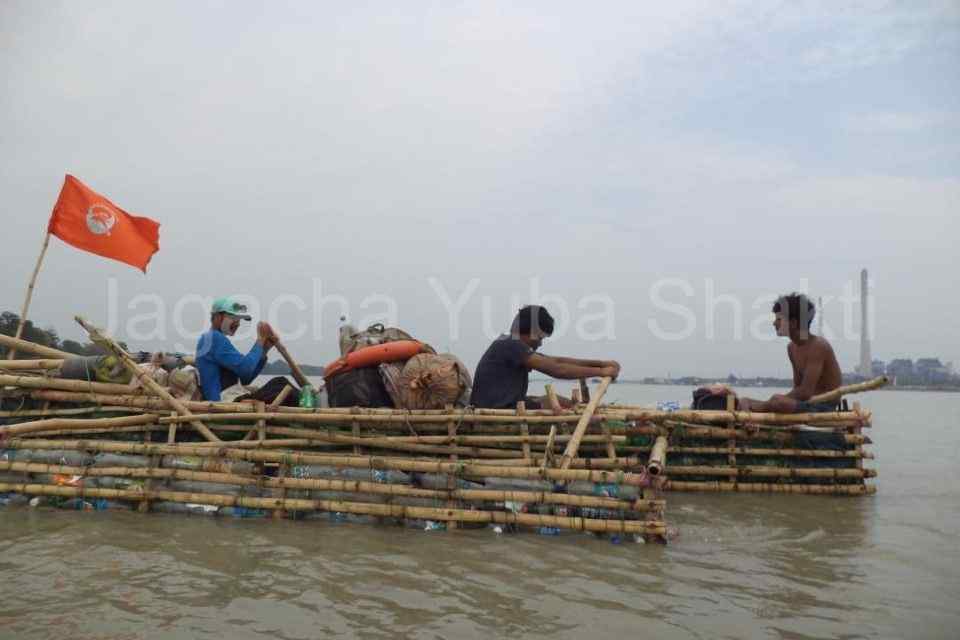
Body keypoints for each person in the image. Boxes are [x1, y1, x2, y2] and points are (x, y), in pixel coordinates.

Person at [470, 305, 620, 410]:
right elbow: (558, 370)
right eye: (539, 338)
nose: (540, 343)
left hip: (507, 405)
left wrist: (601, 364)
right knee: (559, 404)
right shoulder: (510, 344)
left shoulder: (510, 343)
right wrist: (601, 372)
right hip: (499, 410)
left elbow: (556, 361)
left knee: (559, 401)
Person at [738, 293, 842, 413]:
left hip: (824, 407)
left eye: (779, 319)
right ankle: (759, 409)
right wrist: (771, 403)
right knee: (744, 400)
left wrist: (771, 402)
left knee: (777, 401)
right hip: (805, 404)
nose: (774, 323)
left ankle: (759, 409)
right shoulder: (791, 348)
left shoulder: (818, 346)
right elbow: (797, 387)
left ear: (793, 323)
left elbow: (805, 392)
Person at [196, 296, 278, 402]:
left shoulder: (216, 339)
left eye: (239, 320)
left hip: (230, 398)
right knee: (280, 383)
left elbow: (246, 378)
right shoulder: (212, 338)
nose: (238, 324)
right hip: (221, 403)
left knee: (278, 386)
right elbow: (245, 369)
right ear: (217, 317)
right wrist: (260, 340)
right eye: (234, 318)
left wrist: (264, 350)